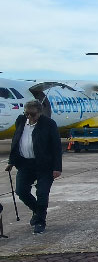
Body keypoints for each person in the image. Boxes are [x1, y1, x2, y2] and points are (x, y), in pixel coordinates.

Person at [5, 100, 62, 234]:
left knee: (42, 193)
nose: (29, 117)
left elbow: (56, 147)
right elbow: (16, 140)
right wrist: (11, 161)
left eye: (32, 114)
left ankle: (40, 222)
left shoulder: (49, 124)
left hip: (44, 165)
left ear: (39, 113)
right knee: (21, 191)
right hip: (25, 164)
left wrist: (57, 167)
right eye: (26, 113)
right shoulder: (21, 120)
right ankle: (38, 212)